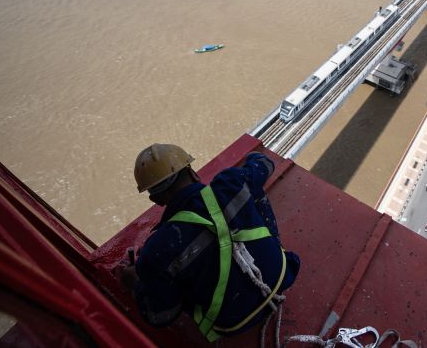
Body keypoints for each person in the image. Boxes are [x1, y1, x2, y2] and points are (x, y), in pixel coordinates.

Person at [119, 144, 300, 342]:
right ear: (193, 172)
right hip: (281, 276)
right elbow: (264, 163)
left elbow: (161, 315)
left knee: (173, 277)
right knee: (251, 188)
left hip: (233, 321)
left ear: (155, 199)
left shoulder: (156, 250)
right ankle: (273, 251)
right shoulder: (231, 182)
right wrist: (252, 158)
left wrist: (136, 283)